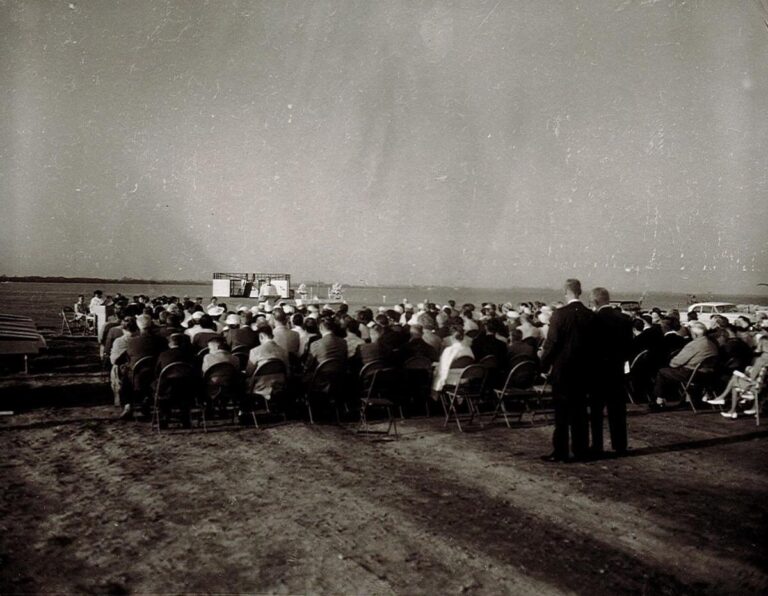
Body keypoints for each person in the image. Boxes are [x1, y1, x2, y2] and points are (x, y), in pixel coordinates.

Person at [540, 279, 595, 462]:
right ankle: (581, 450)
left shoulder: (560, 314)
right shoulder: (590, 315)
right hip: (585, 368)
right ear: (580, 292)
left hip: (563, 369)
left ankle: (561, 451)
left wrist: (543, 365)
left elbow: (552, 343)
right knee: (580, 411)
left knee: (562, 413)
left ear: (566, 292)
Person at [589, 287, 633, 456]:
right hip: (617, 369)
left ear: (594, 301)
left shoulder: (593, 319)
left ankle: (597, 445)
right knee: (618, 410)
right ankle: (620, 445)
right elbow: (630, 347)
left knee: (596, 411)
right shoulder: (624, 319)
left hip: (598, 371)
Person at [652, 321, 719, 408]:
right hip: (708, 374)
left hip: (692, 374)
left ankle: (659, 400)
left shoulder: (694, 345)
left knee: (662, 372)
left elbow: (676, 362)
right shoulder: (712, 344)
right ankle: (688, 399)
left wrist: (673, 362)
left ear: (694, 334)